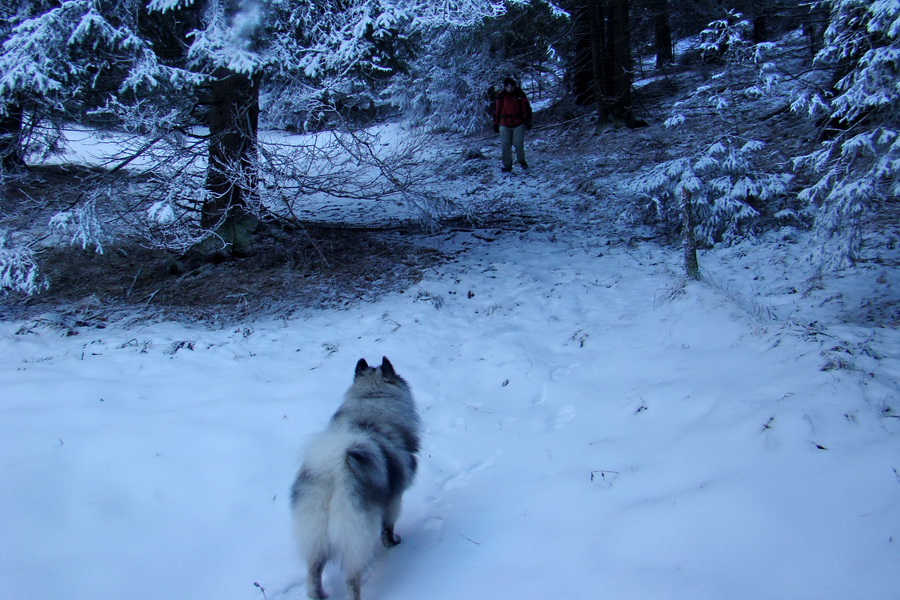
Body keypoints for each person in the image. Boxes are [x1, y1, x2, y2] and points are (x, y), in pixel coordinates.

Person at [493, 77, 532, 173]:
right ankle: (507, 166)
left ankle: (522, 161)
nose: (509, 88)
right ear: (505, 87)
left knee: (518, 143)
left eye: (511, 86)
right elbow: (497, 111)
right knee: (505, 144)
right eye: (508, 87)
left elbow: (527, 109)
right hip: (505, 123)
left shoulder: (520, 95)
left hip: (518, 122)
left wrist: (528, 121)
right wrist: (495, 123)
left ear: (514, 86)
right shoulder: (501, 96)